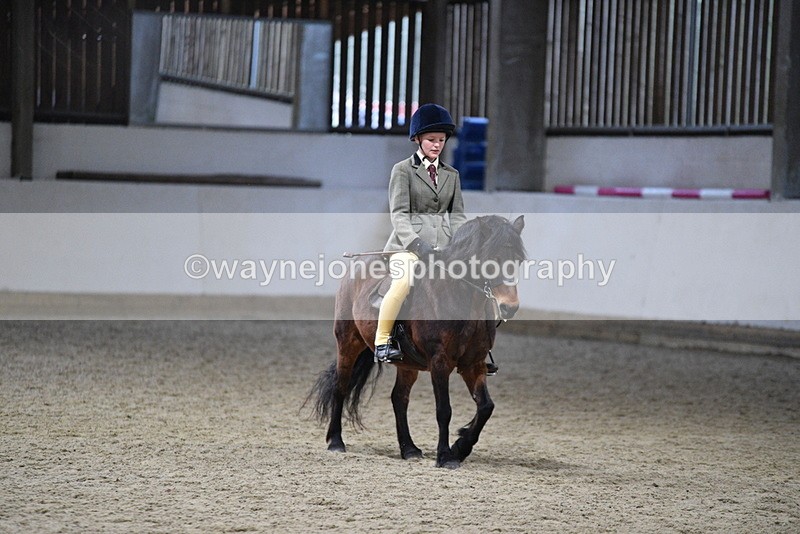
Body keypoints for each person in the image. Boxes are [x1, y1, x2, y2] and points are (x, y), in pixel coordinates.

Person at [374, 103, 467, 363]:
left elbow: (457, 215)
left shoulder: (452, 174)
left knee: (473, 282)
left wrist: (458, 244)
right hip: (408, 246)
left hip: (445, 247)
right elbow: (399, 215)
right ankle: (382, 341)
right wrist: (417, 244)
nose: (437, 145)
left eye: (441, 140)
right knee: (402, 282)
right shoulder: (402, 170)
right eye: (430, 140)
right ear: (417, 139)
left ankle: (475, 347)